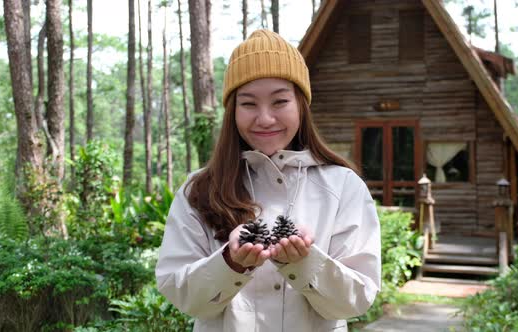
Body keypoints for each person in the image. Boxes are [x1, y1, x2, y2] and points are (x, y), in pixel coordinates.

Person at [156, 29, 381, 332]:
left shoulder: (343, 187)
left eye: (279, 102)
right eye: (248, 103)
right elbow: (181, 295)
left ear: (301, 104)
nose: (264, 118)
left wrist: (305, 263)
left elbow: (357, 299)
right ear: (232, 111)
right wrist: (230, 264)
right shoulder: (199, 190)